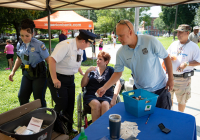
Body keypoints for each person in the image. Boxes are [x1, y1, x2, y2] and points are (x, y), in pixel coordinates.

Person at [97, 19, 174, 110]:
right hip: (140, 92)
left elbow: (166, 57)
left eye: (121, 36)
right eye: (117, 36)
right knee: (141, 120)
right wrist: (104, 88)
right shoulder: (121, 52)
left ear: (130, 32)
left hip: (160, 89)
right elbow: (117, 73)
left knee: (162, 120)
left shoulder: (150, 41)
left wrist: (171, 79)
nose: (118, 39)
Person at [47, 29, 97, 133]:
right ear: (83, 41)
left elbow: (75, 62)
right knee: (62, 104)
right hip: (58, 77)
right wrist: (55, 79)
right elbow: (51, 60)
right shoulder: (66, 45)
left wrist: (82, 72)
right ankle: (56, 127)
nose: (88, 46)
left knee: (70, 104)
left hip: (70, 79)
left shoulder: (80, 48)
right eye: (88, 44)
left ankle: (68, 127)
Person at [8, 19, 49, 107]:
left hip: (40, 75)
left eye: (27, 35)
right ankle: (27, 117)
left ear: (32, 34)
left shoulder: (39, 45)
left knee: (38, 99)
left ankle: (41, 119)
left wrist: (52, 76)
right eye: (22, 35)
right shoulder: (19, 44)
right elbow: (19, 59)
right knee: (22, 96)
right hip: (27, 73)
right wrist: (13, 71)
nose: (24, 38)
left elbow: (49, 60)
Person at [167, 24, 200, 112]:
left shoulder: (194, 47)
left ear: (187, 33)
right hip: (170, 77)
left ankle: (180, 117)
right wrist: (169, 57)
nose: (178, 34)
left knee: (182, 100)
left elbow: (199, 61)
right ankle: (171, 114)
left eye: (180, 32)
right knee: (169, 98)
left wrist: (187, 63)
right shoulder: (174, 44)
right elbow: (167, 55)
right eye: (177, 32)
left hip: (183, 80)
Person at [81, 51, 121, 122]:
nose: (97, 61)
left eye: (100, 59)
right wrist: (87, 72)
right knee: (96, 104)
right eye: (97, 59)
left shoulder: (110, 70)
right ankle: (95, 129)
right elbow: (83, 85)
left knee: (105, 104)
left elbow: (118, 84)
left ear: (106, 62)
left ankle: (104, 129)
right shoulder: (92, 70)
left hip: (106, 95)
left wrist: (114, 98)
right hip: (92, 95)